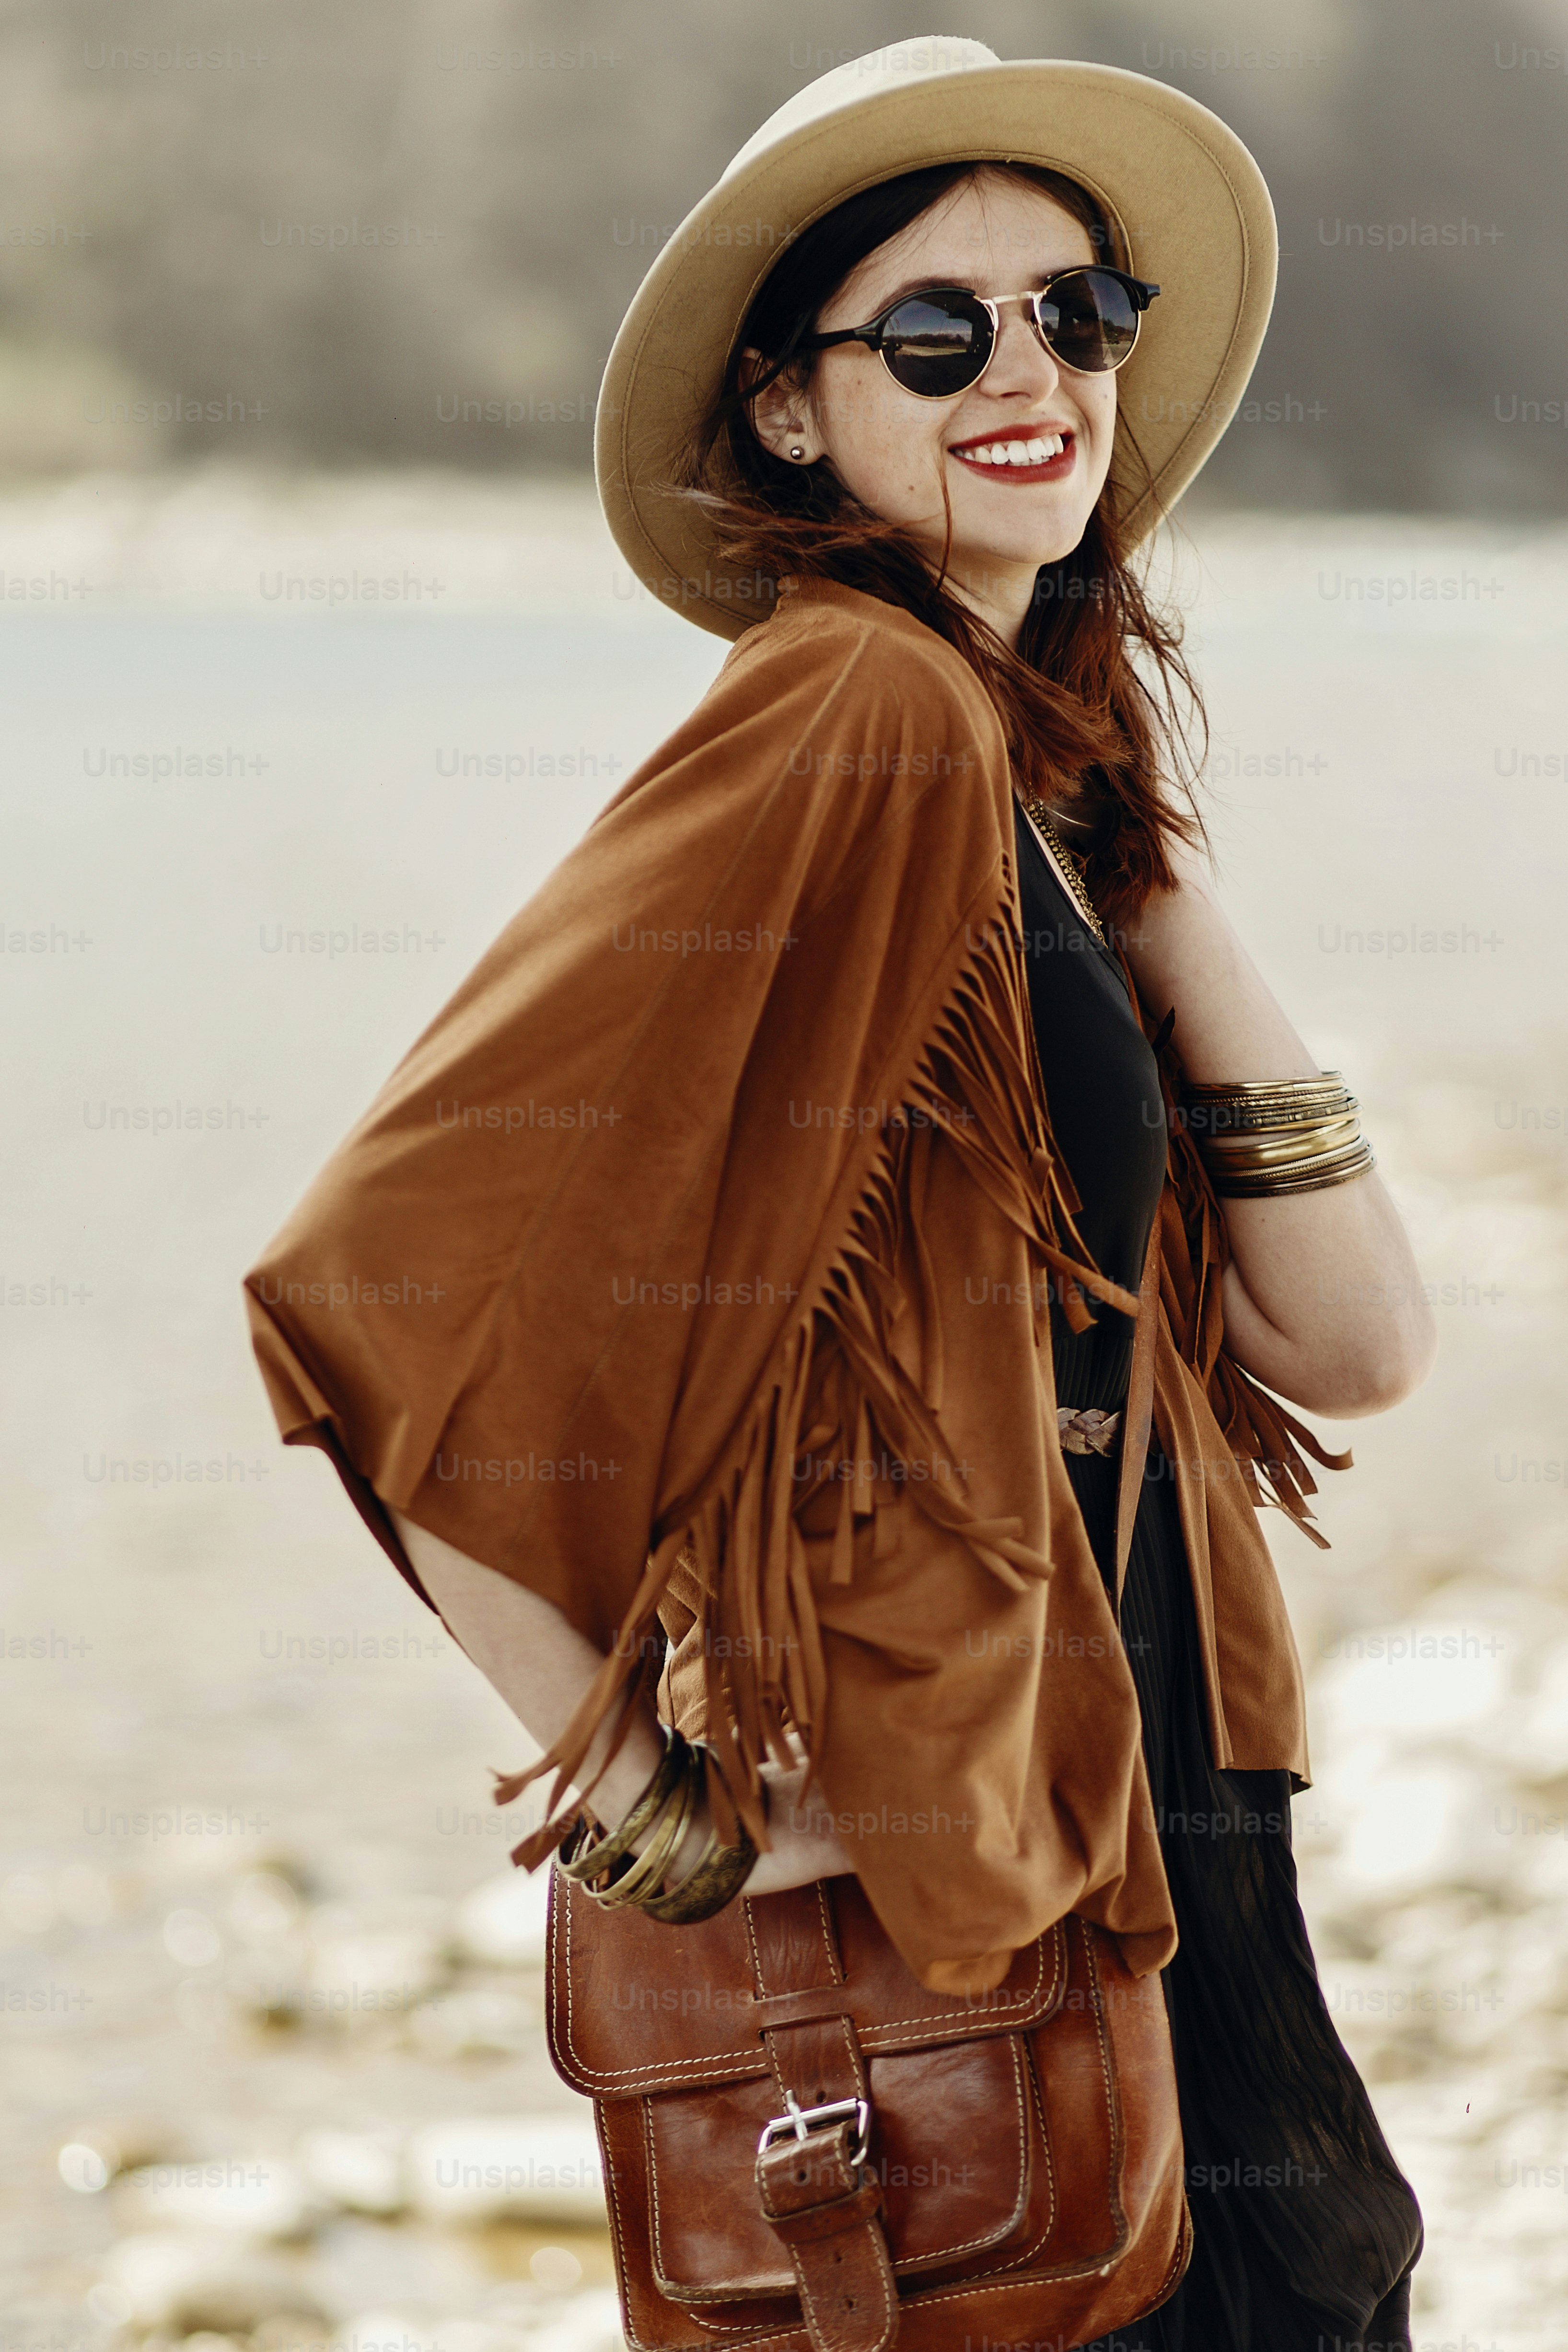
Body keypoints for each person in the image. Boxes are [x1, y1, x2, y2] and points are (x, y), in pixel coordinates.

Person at [246, 40, 1434, 2350]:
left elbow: (1347, 1342)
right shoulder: (849, 719)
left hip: (1139, 1778)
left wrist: (1137, 851)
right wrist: (654, 1800)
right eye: (933, 330)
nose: (1030, 373)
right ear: (792, 413)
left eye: (1075, 314)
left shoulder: (995, 759)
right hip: (969, 1831)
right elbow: (373, 1281)